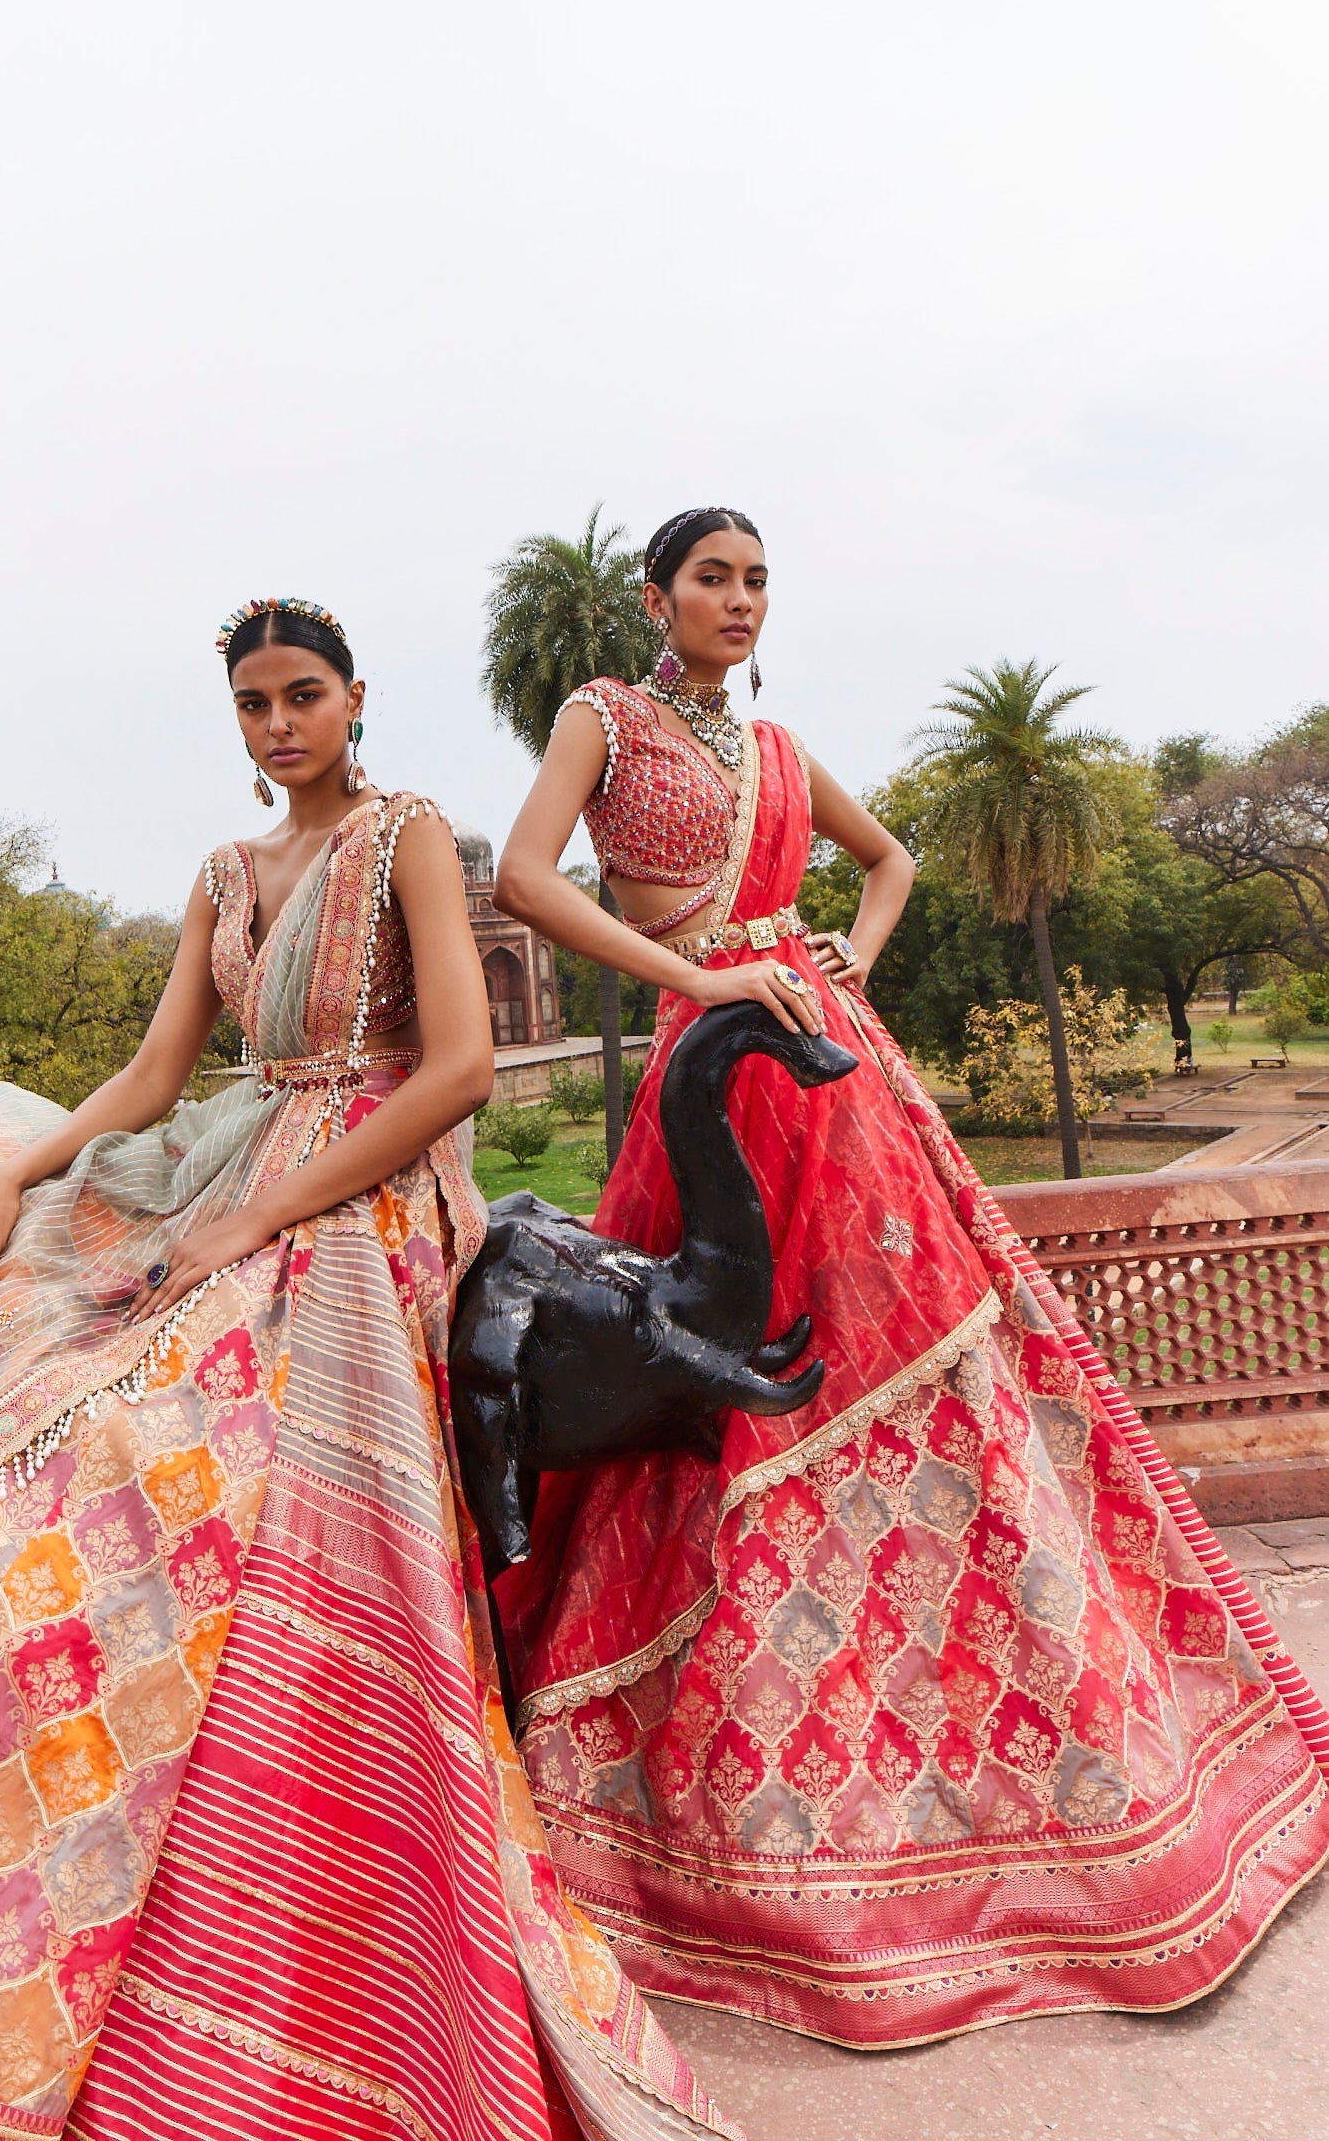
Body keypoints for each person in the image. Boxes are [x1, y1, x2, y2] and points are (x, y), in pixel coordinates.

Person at [0, 599, 730, 2141]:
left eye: (304, 695)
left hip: (367, 1195)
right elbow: (153, 1077)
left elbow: (466, 1070)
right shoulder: (225, 872)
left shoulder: (410, 836)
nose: (280, 725)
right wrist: (16, 1172)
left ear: (356, 701)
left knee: (159, 1423)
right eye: (254, 703)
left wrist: (266, 1220)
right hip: (217, 1164)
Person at [490, 508, 1329, 2048]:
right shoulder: (600, 720)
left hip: (827, 1066)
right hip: (714, 1056)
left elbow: (896, 860)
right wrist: (702, 979)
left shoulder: (788, 750)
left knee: (908, 1354)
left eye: (755, 583)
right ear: (657, 596)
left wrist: (842, 963)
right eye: (711, 580)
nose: (737, 603)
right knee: (704, 1371)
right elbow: (529, 881)